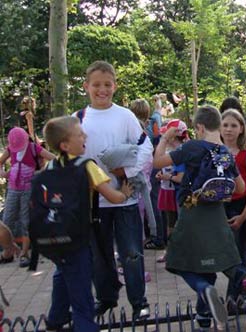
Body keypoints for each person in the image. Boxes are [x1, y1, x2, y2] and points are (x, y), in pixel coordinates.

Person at [153, 105, 246, 330]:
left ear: (200, 127)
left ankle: (203, 289)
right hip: (217, 214)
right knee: (211, 261)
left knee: (177, 261)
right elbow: (240, 187)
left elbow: (157, 163)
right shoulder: (225, 152)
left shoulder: (192, 147)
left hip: (192, 213)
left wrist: (164, 138)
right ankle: (231, 290)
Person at [39, 116, 134, 332]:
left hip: (55, 234)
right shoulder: (87, 166)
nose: (85, 136)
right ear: (65, 144)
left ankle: (56, 318)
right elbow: (112, 197)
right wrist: (124, 193)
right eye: (80, 134)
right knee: (81, 284)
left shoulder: (50, 165)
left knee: (61, 274)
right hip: (79, 236)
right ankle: (84, 325)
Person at [78, 61, 152, 320]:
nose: (102, 90)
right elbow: (70, 155)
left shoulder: (125, 116)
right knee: (100, 255)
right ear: (86, 86)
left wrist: (128, 173)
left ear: (115, 86)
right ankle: (106, 298)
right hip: (94, 201)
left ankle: (138, 301)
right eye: (96, 85)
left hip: (125, 199)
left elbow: (145, 147)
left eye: (107, 85)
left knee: (132, 252)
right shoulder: (78, 119)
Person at [0, 127, 55, 267]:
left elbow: (54, 159)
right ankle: (9, 251)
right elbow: (0, 162)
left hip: (29, 190)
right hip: (13, 188)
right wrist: (4, 173)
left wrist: (40, 173)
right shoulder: (10, 149)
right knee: (7, 221)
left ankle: (24, 254)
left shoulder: (33, 148)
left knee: (26, 221)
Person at [221, 109, 246, 265]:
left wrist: (243, 216)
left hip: (240, 209)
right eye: (225, 125)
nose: (229, 129)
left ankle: (239, 287)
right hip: (218, 209)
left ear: (241, 128)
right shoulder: (212, 153)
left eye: (233, 125)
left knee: (238, 256)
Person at [129, 99, 161, 249]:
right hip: (144, 181)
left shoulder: (133, 132)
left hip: (136, 183)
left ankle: (137, 251)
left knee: (136, 220)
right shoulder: (149, 127)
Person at [155, 120, 188, 263]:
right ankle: (172, 252)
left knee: (178, 224)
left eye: (167, 135)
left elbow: (181, 178)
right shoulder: (175, 152)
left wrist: (167, 176)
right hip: (171, 191)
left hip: (180, 194)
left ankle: (179, 254)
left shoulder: (181, 152)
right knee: (171, 223)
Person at [145, 94, 165, 249]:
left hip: (150, 167)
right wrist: (158, 101)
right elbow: (158, 110)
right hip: (157, 165)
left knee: (153, 201)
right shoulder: (155, 120)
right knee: (156, 201)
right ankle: (159, 235)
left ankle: (157, 237)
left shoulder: (145, 126)